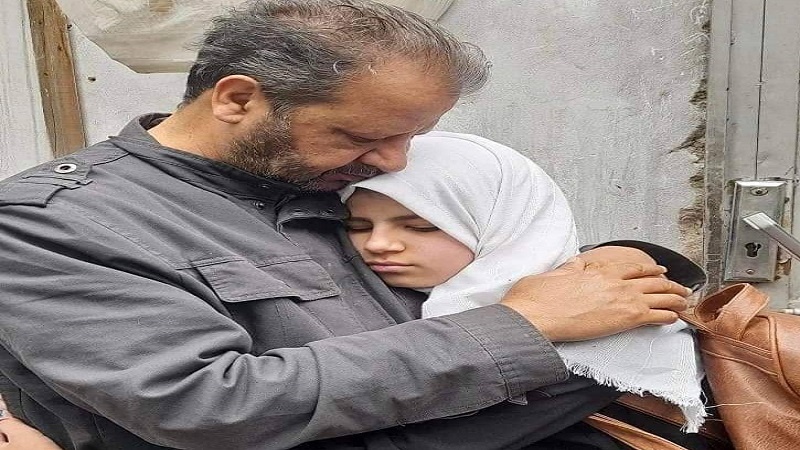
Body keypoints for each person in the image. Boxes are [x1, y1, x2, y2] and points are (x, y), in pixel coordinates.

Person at [0, 1, 692, 449]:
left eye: (412, 136)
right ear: (237, 100)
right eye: (361, 136)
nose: (393, 161)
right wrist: (524, 329)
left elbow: (491, 257)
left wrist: (621, 262)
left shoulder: (333, 176)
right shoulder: (54, 224)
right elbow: (204, 403)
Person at [341, 131, 705, 432]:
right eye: (357, 226)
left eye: (420, 226)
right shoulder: (368, 298)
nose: (378, 244)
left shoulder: (612, 314)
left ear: (501, 224)